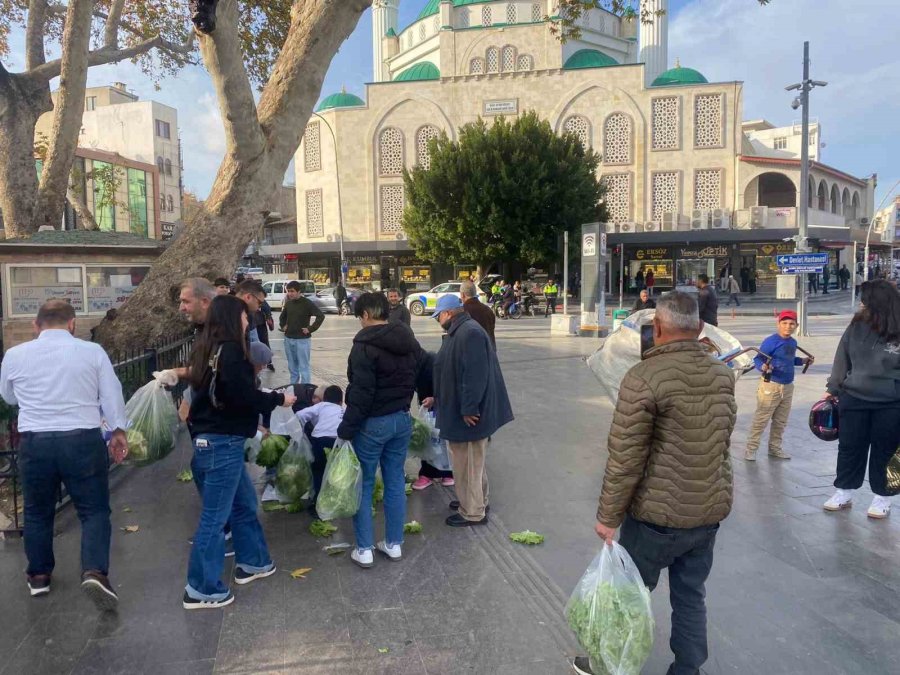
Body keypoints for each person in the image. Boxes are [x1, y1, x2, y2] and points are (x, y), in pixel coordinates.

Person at [578, 292, 737, 675]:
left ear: (658, 328)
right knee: (690, 596)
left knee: (627, 596)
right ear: (700, 328)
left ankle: (609, 664)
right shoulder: (723, 373)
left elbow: (625, 456)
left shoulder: (642, 377)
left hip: (656, 519)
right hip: (707, 515)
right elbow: (722, 436)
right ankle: (688, 668)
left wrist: (608, 516)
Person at [0, 300, 128, 608]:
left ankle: (39, 576)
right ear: (72, 324)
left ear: (36, 325)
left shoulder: (14, 355)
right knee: (94, 510)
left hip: (35, 441)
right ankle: (95, 570)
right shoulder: (92, 352)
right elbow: (111, 393)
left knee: (36, 511)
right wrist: (118, 432)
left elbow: (8, 395)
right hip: (82, 439)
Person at [184, 295, 296, 609]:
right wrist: (277, 400)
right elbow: (241, 397)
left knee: (244, 503)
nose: (249, 321)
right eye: (245, 316)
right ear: (234, 318)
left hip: (218, 440)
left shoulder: (209, 347)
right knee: (214, 519)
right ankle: (201, 588)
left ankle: (254, 561)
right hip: (222, 443)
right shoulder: (231, 351)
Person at [337, 292, 429, 568]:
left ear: (365, 315)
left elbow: (361, 394)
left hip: (372, 424)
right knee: (395, 482)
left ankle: (364, 548)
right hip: (402, 420)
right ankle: (394, 544)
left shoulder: (364, 346)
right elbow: (425, 368)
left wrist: (345, 430)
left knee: (364, 484)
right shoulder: (408, 339)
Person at [431, 296, 513, 527]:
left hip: (469, 414)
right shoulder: (463, 331)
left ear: (447, 313)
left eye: (438, 316)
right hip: (462, 409)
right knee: (473, 463)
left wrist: (469, 408)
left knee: (467, 464)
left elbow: (474, 376)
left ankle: (473, 511)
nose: (437, 320)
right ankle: (476, 501)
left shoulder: (469, 333)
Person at [822, 280, 900, 518]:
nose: (861, 303)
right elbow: (841, 359)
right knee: (849, 447)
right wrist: (832, 389)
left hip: (891, 402)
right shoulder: (856, 326)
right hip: (854, 398)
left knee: (886, 451)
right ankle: (844, 491)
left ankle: (882, 498)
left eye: (864, 299)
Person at [744, 311, 813, 461]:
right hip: (771, 386)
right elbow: (757, 359)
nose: (788, 327)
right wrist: (763, 367)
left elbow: (790, 359)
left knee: (781, 421)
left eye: (791, 324)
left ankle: (774, 448)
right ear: (778, 324)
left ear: (796, 326)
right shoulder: (770, 341)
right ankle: (751, 449)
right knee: (761, 419)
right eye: (784, 323)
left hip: (788, 386)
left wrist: (803, 360)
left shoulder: (793, 342)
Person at [296, 385, 344, 505]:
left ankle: (317, 500)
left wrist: (301, 432)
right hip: (338, 442)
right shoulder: (343, 410)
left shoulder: (320, 406)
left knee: (318, 469)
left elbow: (300, 415)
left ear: (325, 399)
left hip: (320, 440)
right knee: (336, 470)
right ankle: (335, 497)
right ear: (341, 401)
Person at [280, 280, 325, 384]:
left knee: (304, 367)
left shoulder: (307, 303)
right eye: (288, 291)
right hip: (288, 339)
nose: (290, 293)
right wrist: (283, 326)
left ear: (299, 291)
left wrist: (310, 328)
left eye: (292, 291)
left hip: (302, 340)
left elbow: (320, 316)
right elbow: (283, 317)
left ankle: (305, 390)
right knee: (292, 366)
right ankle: (294, 388)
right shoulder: (288, 304)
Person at [459, 280, 495, 347]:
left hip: (472, 351)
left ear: (462, 295)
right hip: (489, 350)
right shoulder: (488, 310)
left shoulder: (462, 311)